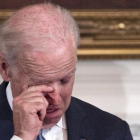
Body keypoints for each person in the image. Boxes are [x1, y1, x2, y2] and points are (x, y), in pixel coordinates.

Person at [0, 3, 133, 140]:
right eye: (41, 84)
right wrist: (23, 137)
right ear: (5, 68)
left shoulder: (112, 131)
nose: (56, 99)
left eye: (64, 80)